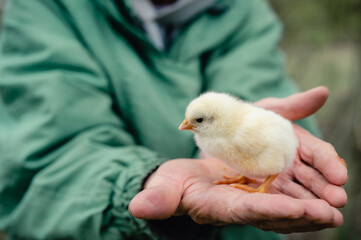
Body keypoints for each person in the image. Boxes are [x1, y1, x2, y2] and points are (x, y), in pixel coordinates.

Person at [0, 0, 348, 239]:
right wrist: (138, 181)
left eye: (194, 122)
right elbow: (48, 153)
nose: (187, 126)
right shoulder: (47, 11)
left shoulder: (243, 11)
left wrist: (254, 171)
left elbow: (258, 112)